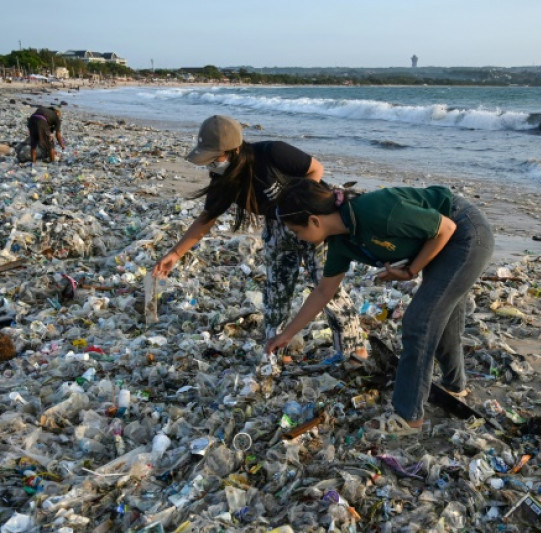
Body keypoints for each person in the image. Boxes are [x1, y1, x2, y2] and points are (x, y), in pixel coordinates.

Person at [265, 179, 494, 435]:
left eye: (297, 232)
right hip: (441, 243)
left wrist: (410, 270)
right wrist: (286, 334)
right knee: (441, 315)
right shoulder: (342, 241)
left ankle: (408, 417)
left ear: (315, 221)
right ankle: (454, 386)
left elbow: (446, 227)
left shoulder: (375, 210)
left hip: (466, 234)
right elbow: (323, 291)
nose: (299, 238)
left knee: (419, 322)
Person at [153, 115, 367, 362]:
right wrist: (175, 254)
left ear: (233, 150)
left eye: (214, 158)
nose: (211, 164)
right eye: (208, 160)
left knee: (327, 287)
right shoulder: (225, 179)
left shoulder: (272, 153)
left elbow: (315, 168)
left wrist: (298, 206)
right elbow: (207, 218)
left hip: (313, 221)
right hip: (277, 228)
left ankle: (353, 350)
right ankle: (276, 351)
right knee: (276, 291)